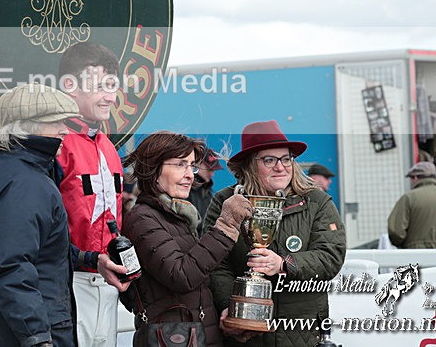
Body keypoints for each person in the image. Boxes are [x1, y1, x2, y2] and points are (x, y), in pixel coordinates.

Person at [0, 83, 81, 347]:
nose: (65, 129)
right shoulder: (25, 182)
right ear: (28, 126)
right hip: (11, 330)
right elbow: (12, 266)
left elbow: (30, 251)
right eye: (57, 121)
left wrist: (89, 259)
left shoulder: (5, 169)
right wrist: (39, 338)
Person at [205, 120, 347, 346]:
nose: (280, 167)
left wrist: (284, 263)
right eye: (269, 160)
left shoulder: (316, 201)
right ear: (250, 164)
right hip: (245, 333)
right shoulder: (226, 201)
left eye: (286, 158)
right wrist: (228, 306)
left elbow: (331, 256)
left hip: (300, 329)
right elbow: (215, 263)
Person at [122, 132, 254, 347]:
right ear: (154, 169)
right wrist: (226, 226)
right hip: (173, 338)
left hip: (199, 334)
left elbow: (201, 278)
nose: (190, 175)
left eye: (191, 166)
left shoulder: (178, 215)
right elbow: (181, 275)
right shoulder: (141, 218)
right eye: (180, 165)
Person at [57, 42, 131, 346]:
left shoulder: (109, 147)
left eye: (112, 86)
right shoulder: (57, 144)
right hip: (68, 282)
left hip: (108, 283)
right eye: (100, 86)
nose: (110, 97)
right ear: (71, 87)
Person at [188, 146, 224, 219]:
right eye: (209, 169)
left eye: (213, 170)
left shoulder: (206, 191)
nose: (212, 174)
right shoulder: (185, 188)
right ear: (197, 163)